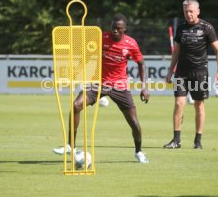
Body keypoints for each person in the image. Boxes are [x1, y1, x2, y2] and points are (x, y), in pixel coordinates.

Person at [53, 13, 150, 163]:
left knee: (134, 123)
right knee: (76, 105)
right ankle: (70, 146)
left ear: (125, 29)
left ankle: (139, 152)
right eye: (113, 28)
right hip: (97, 82)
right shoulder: (101, 38)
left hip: (119, 85)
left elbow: (141, 64)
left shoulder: (131, 44)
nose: (115, 31)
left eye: (118, 28)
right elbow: (87, 55)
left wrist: (144, 87)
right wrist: (76, 70)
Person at [164, 0, 218, 149]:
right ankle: (176, 140)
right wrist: (171, 70)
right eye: (186, 12)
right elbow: (176, 50)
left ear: (198, 11)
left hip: (200, 72)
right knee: (179, 104)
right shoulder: (181, 27)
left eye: (191, 11)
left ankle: (198, 141)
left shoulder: (207, 27)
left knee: (199, 105)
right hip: (181, 73)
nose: (188, 14)